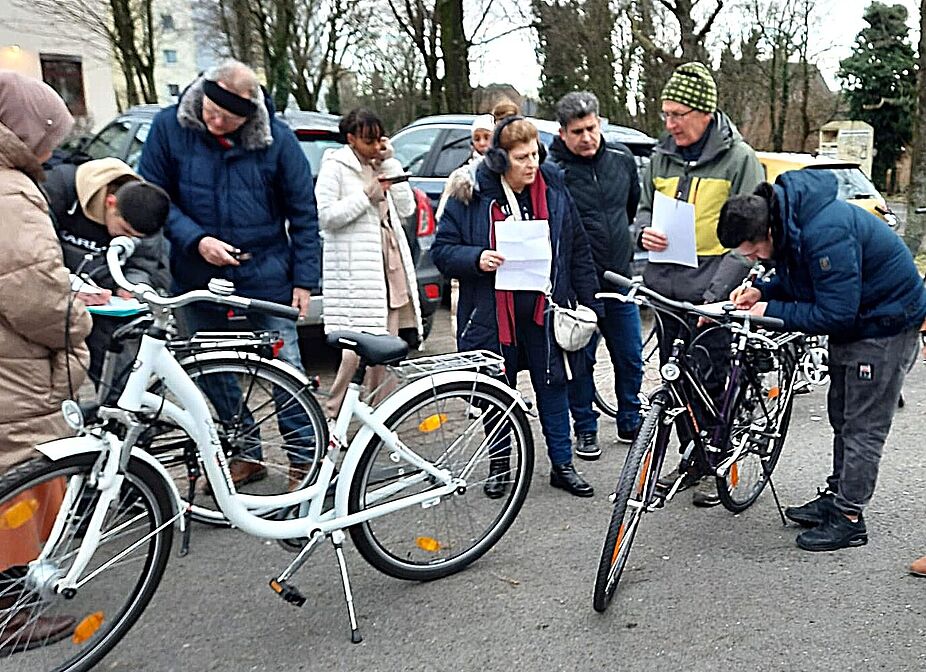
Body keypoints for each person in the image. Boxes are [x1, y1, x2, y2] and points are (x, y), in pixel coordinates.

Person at [717, 170, 926, 551]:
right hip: (860, 322)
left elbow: (836, 313)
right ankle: (838, 495)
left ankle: (849, 518)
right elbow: (803, 277)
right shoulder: (792, 224)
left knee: (862, 426)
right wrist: (762, 290)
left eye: (753, 251)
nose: (754, 259)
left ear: (768, 231)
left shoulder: (825, 232)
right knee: (841, 415)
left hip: (885, 326)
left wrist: (770, 309)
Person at [138, 59, 321, 489]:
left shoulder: (278, 141)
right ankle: (244, 452)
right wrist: (196, 239)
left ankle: (304, 458)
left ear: (249, 113)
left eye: (227, 117)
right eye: (210, 111)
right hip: (196, 274)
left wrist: (303, 281)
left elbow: (303, 214)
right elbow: (153, 197)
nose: (215, 122)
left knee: (286, 367)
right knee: (209, 367)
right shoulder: (170, 127)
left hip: (266, 273)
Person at [432, 115, 601, 498]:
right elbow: (441, 251)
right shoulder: (471, 193)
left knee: (553, 387)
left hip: (545, 313)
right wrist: (477, 258)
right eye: (521, 157)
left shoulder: (554, 189)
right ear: (500, 159)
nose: (531, 164)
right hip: (492, 316)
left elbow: (577, 248)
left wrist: (590, 304)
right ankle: (500, 467)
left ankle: (562, 465)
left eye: (535, 155)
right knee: (496, 393)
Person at [635, 61, 764, 507]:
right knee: (677, 382)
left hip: (712, 290)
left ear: (705, 113)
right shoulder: (661, 155)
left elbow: (750, 237)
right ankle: (693, 460)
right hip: (666, 288)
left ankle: (719, 463)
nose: (670, 124)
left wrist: (717, 296)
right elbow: (644, 208)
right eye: (666, 114)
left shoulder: (740, 160)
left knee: (712, 381)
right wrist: (644, 231)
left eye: (678, 114)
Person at [0, 69, 93, 653]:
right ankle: (9, 612)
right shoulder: (10, 192)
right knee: (18, 475)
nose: (53, 150)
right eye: (50, 136)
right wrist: (78, 319)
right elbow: (32, 288)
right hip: (14, 365)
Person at [549, 91, 643, 460]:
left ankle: (630, 418)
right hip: (578, 287)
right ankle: (585, 428)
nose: (586, 137)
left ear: (599, 123)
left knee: (630, 356)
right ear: (562, 133)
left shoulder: (621, 158)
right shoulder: (554, 172)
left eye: (591, 128)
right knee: (580, 361)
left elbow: (630, 208)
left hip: (620, 279)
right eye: (577, 132)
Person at [315, 108, 421, 417]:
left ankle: (381, 411)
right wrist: (365, 197)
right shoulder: (335, 166)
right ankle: (335, 410)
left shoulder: (380, 163)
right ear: (351, 139)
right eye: (368, 141)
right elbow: (326, 217)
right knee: (355, 350)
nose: (375, 146)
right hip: (357, 271)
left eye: (379, 140)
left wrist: (390, 162)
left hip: (389, 262)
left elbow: (406, 208)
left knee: (388, 344)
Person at [43, 157, 170, 392]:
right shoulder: (59, 188)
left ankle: (120, 406)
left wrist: (132, 286)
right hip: (53, 292)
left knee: (120, 374)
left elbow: (146, 263)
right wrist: (68, 283)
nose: (127, 239)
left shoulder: (147, 209)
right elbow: (36, 250)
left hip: (104, 305)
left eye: (135, 237)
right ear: (110, 203)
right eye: (124, 230)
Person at [435, 113, 495, 335]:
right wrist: (474, 257)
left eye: (486, 137)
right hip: (469, 276)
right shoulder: (461, 178)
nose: (482, 143)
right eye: (477, 138)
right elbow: (443, 220)